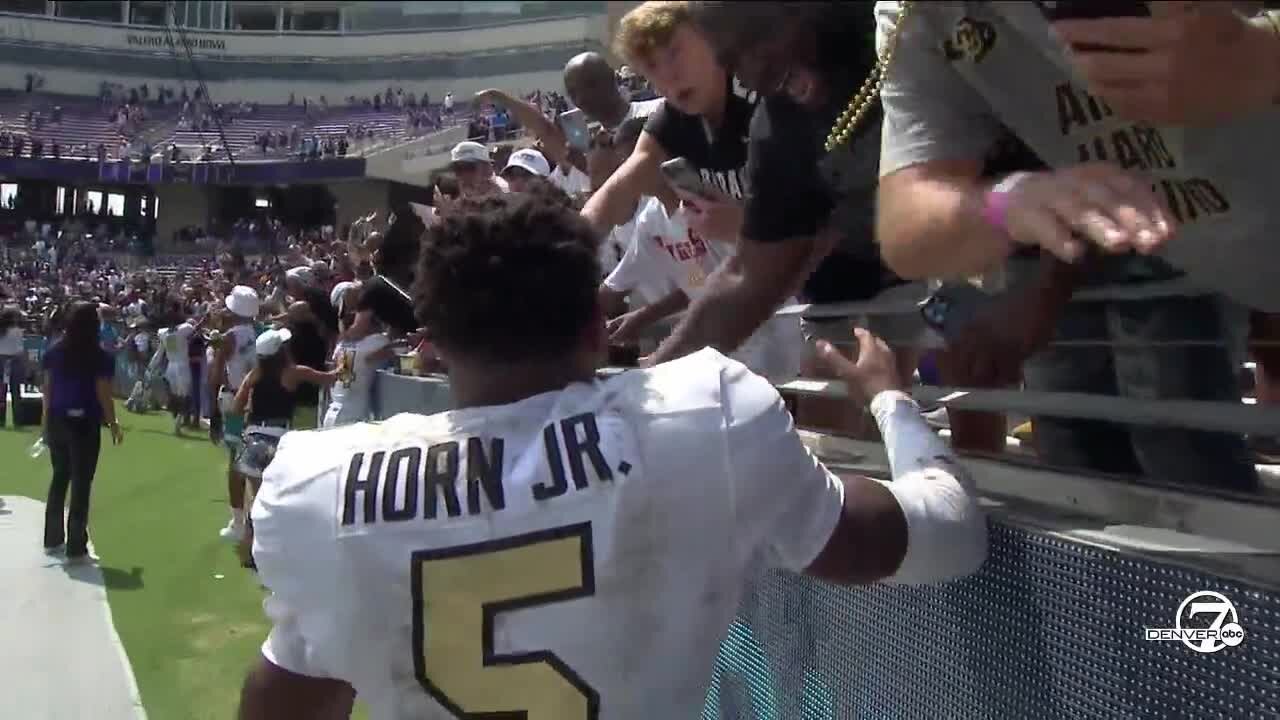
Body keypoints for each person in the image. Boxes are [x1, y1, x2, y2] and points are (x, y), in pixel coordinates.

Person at [237, 192, 987, 718]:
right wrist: (892, 401)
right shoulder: (703, 415)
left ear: (431, 341)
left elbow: (291, 695)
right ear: (599, 327)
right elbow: (946, 537)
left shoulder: (323, 488)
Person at [870, 1, 1279, 489]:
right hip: (1245, 266)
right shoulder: (921, 13)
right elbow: (904, 225)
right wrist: (1006, 205)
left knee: (1181, 440)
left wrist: (1265, 54)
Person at [231, 327, 336, 567]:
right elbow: (331, 378)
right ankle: (280, 551)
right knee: (282, 499)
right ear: (281, 351)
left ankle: (249, 551)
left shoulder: (254, 374)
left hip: (254, 437)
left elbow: (236, 407)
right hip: (279, 440)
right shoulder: (293, 372)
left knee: (257, 501)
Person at [39, 302, 123, 564]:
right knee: (81, 482)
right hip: (85, 423)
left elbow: (48, 391)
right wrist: (113, 424)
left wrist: (45, 423)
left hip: (58, 421)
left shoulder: (54, 351)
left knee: (60, 477)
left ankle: (52, 539)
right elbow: (103, 394)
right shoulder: (101, 357)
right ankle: (76, 545)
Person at [210, 285, 261, 543]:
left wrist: (212, 411)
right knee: (257, 460)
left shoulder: (229, 337)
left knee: (235, 461)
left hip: (234, 399)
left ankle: (238, 522)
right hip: (258, 400)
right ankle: (257, 520)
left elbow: (216, 374)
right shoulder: (262, 332)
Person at [0, 306, 24, 427]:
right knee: (16, 393)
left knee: (1, 393)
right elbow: (20, 350)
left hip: (2, 361)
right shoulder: (18, 331)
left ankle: (1, 420)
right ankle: (18, 420)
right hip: (14, 361)